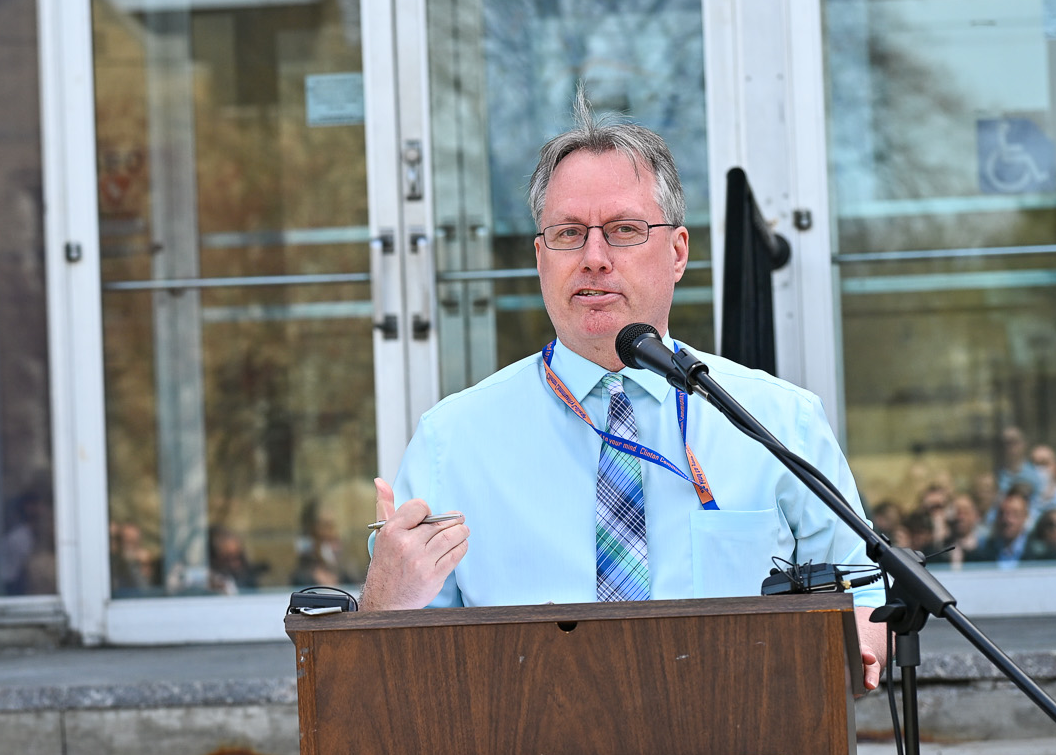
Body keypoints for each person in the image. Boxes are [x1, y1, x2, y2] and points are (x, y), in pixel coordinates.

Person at [362, 93, 889, 689]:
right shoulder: (452, 440)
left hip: (738, 751)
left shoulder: (778, 420)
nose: (593, 258)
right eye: (567, 234)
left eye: (623, 230)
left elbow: (863, 585)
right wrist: (383, 597)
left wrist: (862, 648)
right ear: (540, 258)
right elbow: (396, 657)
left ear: (678, 252)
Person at [293, 499, 356, 586]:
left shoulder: (343, 566)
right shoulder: (304, 575)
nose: (333, 533)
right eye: (326, 526)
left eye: (334, 526)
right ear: (314, 529)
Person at [971, 489, 1034, 566]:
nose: (1007, 520)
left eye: (1015, 514)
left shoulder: (1039, 554)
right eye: (1002, 513)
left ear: (1025, 517)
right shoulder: (981, 554)